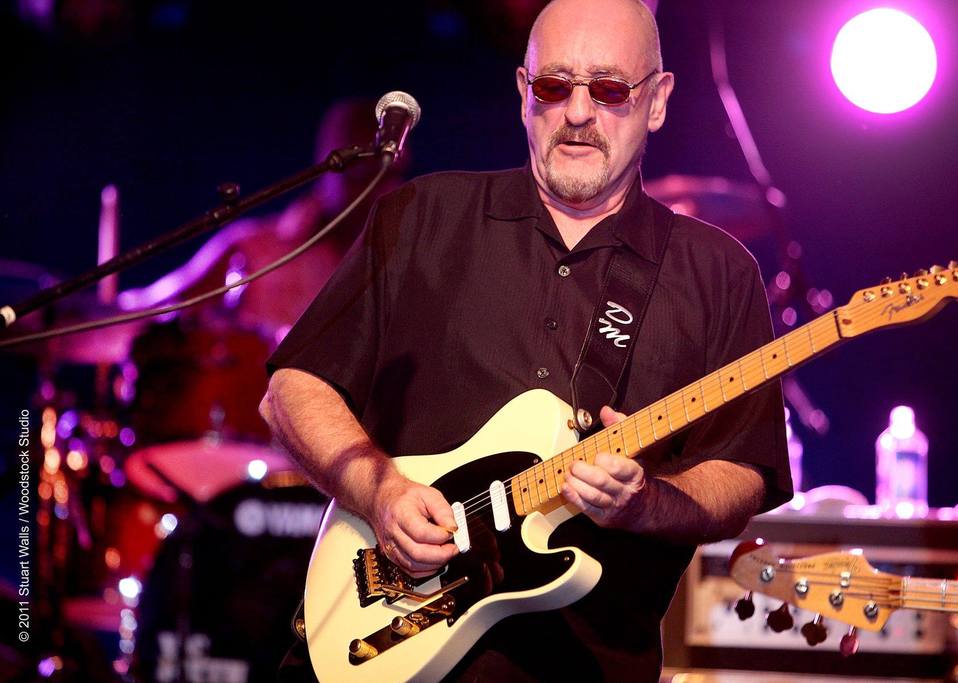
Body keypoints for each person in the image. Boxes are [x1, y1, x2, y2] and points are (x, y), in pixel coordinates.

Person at [261, 0, 791, 680]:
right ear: (523, 93)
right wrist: (380, 491)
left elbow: (743, 470)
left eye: (609, 90)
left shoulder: (717, 273)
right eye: (554, 86)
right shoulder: (423, 215)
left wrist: (647, 503)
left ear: (657, 100)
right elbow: (292, 388)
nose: (578, 112)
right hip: (378, 640)